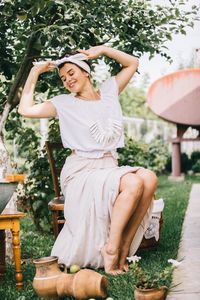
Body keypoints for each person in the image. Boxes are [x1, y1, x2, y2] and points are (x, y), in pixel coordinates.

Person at [18, 45, 157, 275]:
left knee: (149, 179)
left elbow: (133, 62)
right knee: (133, 183)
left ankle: (123, 249)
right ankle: (111, 250)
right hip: (81, 172)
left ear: (86, 72)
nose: (67, 80)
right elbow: (25, 109)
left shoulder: (109, 92)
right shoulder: (64, 103)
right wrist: (35, 72)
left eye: (71, 73)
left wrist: (102, 50)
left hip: (108, 167)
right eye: (63, 78)